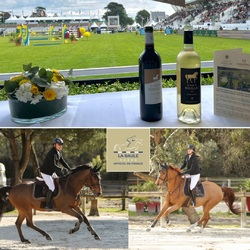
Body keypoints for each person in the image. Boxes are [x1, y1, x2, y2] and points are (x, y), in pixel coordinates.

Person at [40, 138, 71, 210]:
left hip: (51, 172)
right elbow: (53, 165)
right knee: (52, 187)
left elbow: (63, 162)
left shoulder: (58, 152)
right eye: (59, 144)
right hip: (46, 173)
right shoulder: (52, 153)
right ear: (54, 145)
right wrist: (61, 169)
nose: (60, 146)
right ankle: (47, 205)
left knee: (59, 184)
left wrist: (70, 169)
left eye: (61, 145)